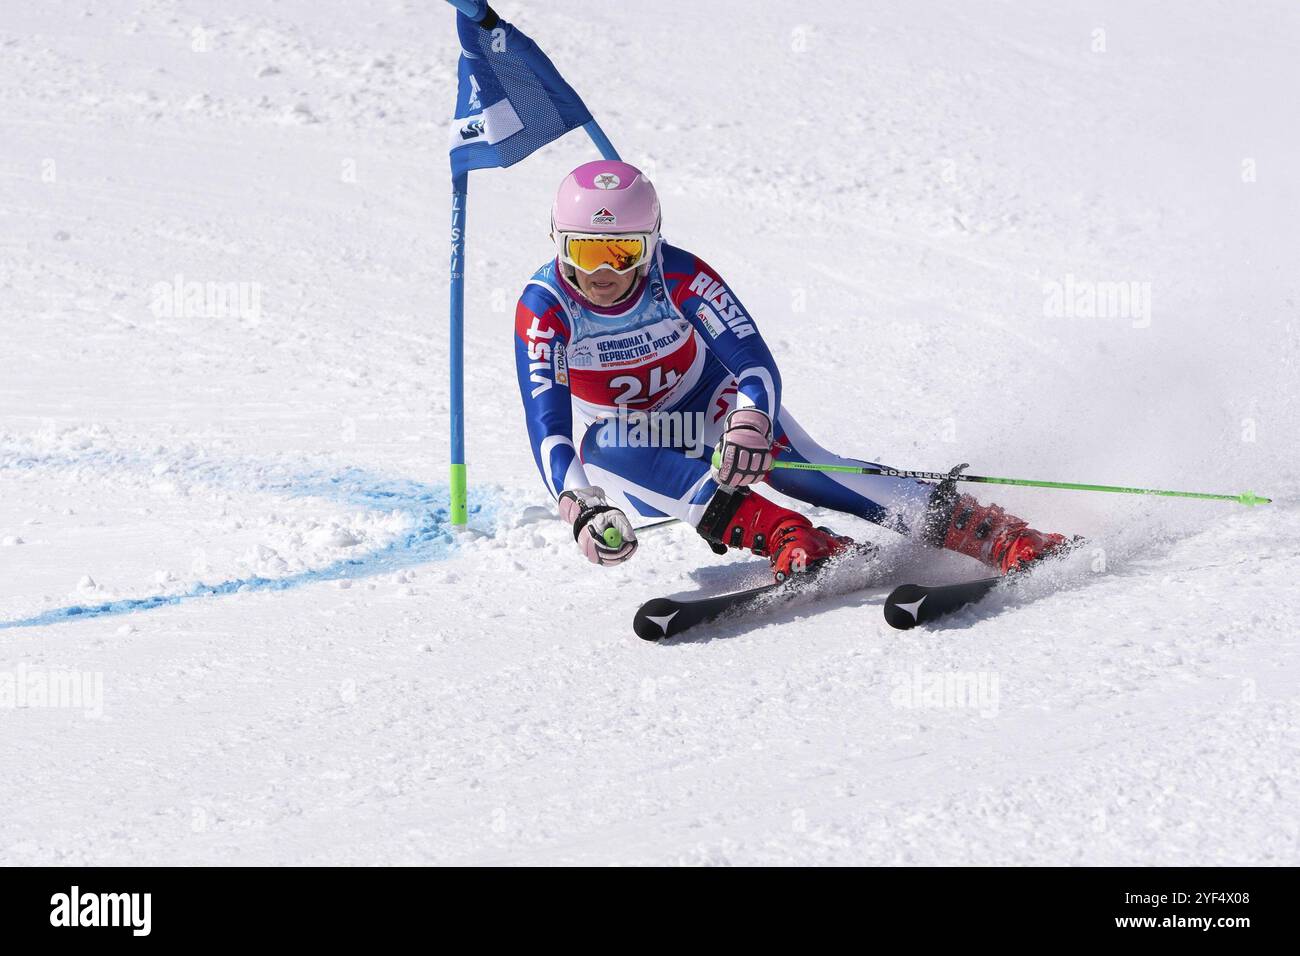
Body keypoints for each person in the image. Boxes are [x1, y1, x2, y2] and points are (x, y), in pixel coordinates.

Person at [513, 160, 1068, 581]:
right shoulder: (546, 308)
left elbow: (753, 364)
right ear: (558, 243)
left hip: (707, 401)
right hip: (642, 447)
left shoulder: (677, 276)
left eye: (623, 252)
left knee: (798, 467)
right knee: (604, 444)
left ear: (651, 243)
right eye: (585, 252)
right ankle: (786, 534)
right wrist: (581, 505)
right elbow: (551, 430)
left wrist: (752, 421)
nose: (604, 272)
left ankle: (980, 528)